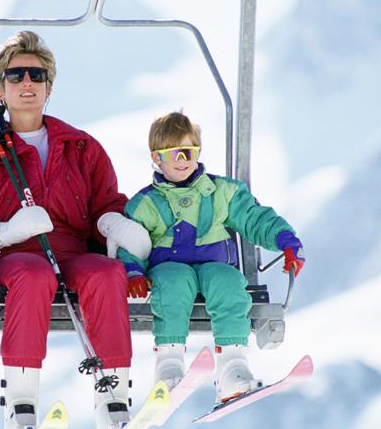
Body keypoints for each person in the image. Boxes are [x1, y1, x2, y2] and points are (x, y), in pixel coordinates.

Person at [0, 31, 151, 429]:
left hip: (70, 249)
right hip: (12, 255)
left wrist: (115, 226)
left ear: (50, 85)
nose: (27, 83)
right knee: (32, 275)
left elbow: (105, 202)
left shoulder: (81, 147)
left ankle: (113, 401)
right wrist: (3, 232)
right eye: (16, 75)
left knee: (107, 273)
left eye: (37, 74)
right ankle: (20, 402)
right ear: (0, 87)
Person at [120, 111, 305, 404]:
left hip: (214, 265)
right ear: (157, 158)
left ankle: (232, 365)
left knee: (230, 283)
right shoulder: (146, 204)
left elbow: (254, 218)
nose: (183, 160)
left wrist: (285, 240)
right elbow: (130, 241)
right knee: (173, 283)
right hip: (169, 268)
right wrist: (132, 272)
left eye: (189, 151)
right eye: (174, 153)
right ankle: (169, 363)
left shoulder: (222, 193)